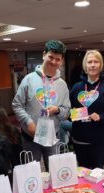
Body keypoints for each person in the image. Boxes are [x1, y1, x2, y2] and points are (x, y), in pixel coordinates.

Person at [12, 40, 70, 171]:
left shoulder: (62, 85)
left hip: (52, 138)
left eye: (58, 59)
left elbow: (67, 112)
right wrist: (27, 122)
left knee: (55, 174)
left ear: (61, 61)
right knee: (31, 177)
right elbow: (16, 105)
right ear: (44, 55)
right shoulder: (28, 79)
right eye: (51, 57)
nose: (54, 62)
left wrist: (57, 110)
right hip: (30, 138)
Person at [70, 50, 104, 169]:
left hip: (99, 140)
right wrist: (78, 114)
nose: (92, 65)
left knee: (96, 173)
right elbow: (68, 111)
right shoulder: (76, 87)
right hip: (79, 140)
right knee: (82, 172)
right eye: (89, 62)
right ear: (85, 65)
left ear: (100, 65)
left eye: (96, 62)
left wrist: (101, 116)